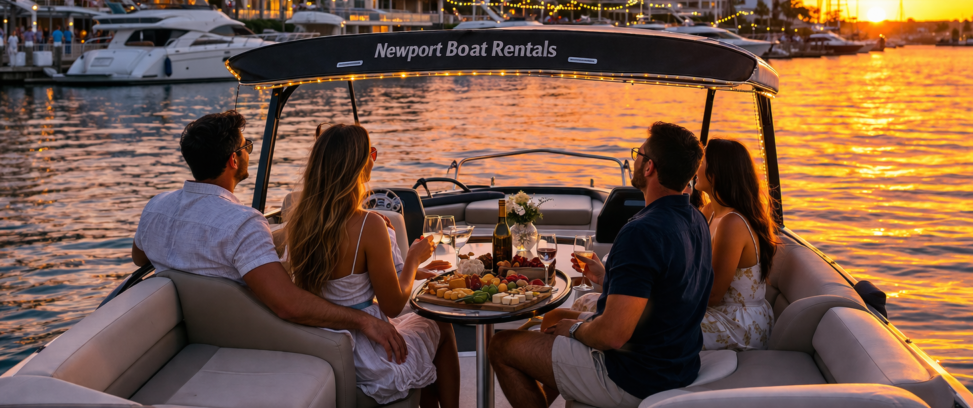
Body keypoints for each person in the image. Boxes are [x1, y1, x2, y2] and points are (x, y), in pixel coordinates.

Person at [132, 111, 410, 363]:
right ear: (233, 159)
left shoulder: (156, 207)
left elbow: (139, 257)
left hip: (197, 336)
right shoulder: (242, 222)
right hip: (250, 340)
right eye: (246, 147)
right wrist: (364, 320)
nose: (249, 152)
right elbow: (289, 305)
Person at [489, 122, 712, 408]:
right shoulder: (697, 221)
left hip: (632, 375)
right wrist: (607, 278)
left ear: (649, 168)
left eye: (639, 154)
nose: (635, 159)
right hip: (676, 362)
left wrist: (574, 330)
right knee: (553, 319)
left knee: (501, 346)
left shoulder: (641, 232)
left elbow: (613, 335)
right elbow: (665, 293)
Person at [286, 123, 460, 407]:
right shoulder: (369, 225)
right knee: (440, 324)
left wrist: (409, 267)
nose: (373, 159)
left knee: (422, 329)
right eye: (372, 153)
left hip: (325, 345)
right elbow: (392, 305)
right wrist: (414, 258)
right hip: (368, 356)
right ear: (357, 165)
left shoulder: (300, 222)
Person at [695, 139, 778, 351]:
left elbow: (713, 294)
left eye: (701, 161)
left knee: (655, 325)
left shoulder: (733, 223)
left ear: (715, 174)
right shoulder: (709, 212)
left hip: (738, 322)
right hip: (719, 312)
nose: (696, 166)